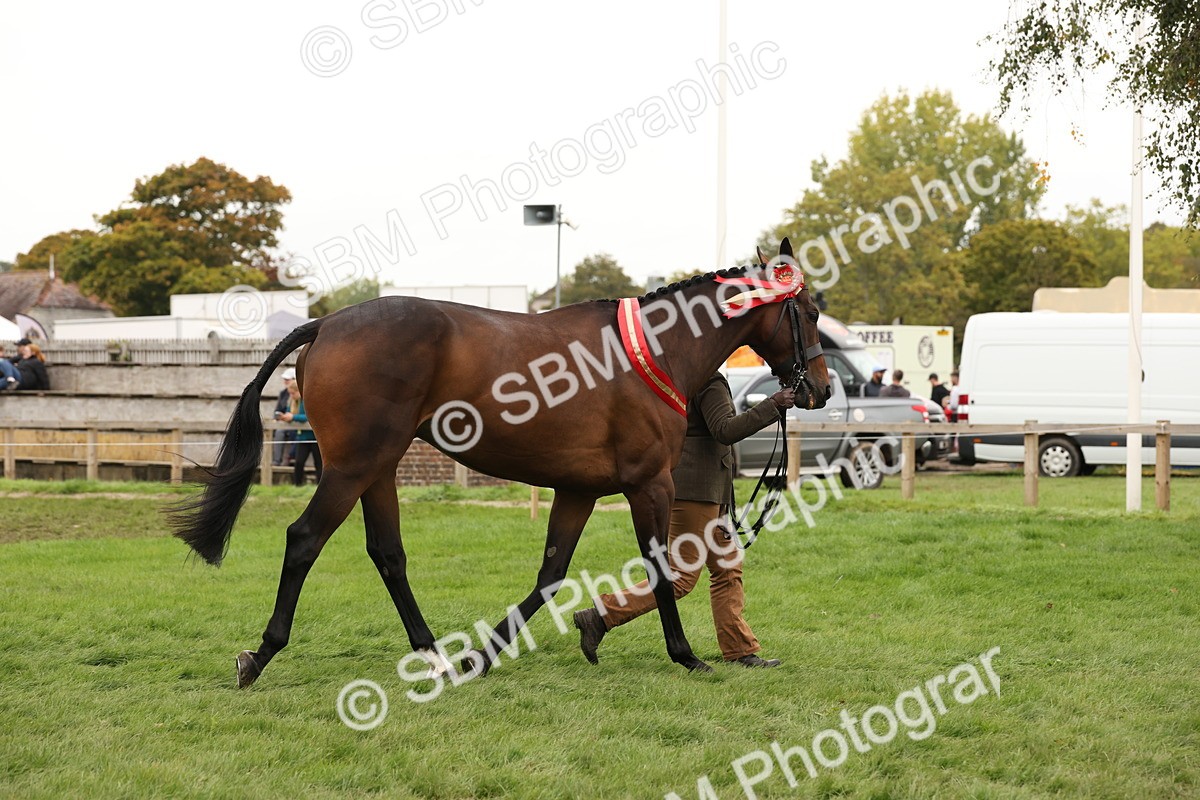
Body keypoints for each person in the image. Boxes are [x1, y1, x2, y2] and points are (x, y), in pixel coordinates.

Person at [572, 373, 795, 669]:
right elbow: (725, 430)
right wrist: (773, 404)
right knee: (680, 577)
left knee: (727, 568)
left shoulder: (685, 374)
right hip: (696, 492)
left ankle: (740, 649)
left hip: (706, 489)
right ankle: (601, 615)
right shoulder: (708, 382)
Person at [279, 382, 321, 486]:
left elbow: (308, 416)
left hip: (315, 438)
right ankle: (298, 485)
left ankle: (320, 485)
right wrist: (286, 417)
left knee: (319, 464)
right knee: (298, 463)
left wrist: (293, 417)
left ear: (299, 391)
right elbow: (290, 413)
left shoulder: (308, 401)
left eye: (293, 393)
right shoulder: (292, 402)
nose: (291, 396)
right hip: (302, 437)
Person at [272, 368, 298, 466]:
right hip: (285, 422)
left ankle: (292, 458)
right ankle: (277, 460)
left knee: (295, 433)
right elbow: (278, 409)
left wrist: (293, 417)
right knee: (279, 432)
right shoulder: (283, 394)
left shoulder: (301, 393)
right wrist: (280, 417)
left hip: (296, 423)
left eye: (287, 380)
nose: (285, 382)